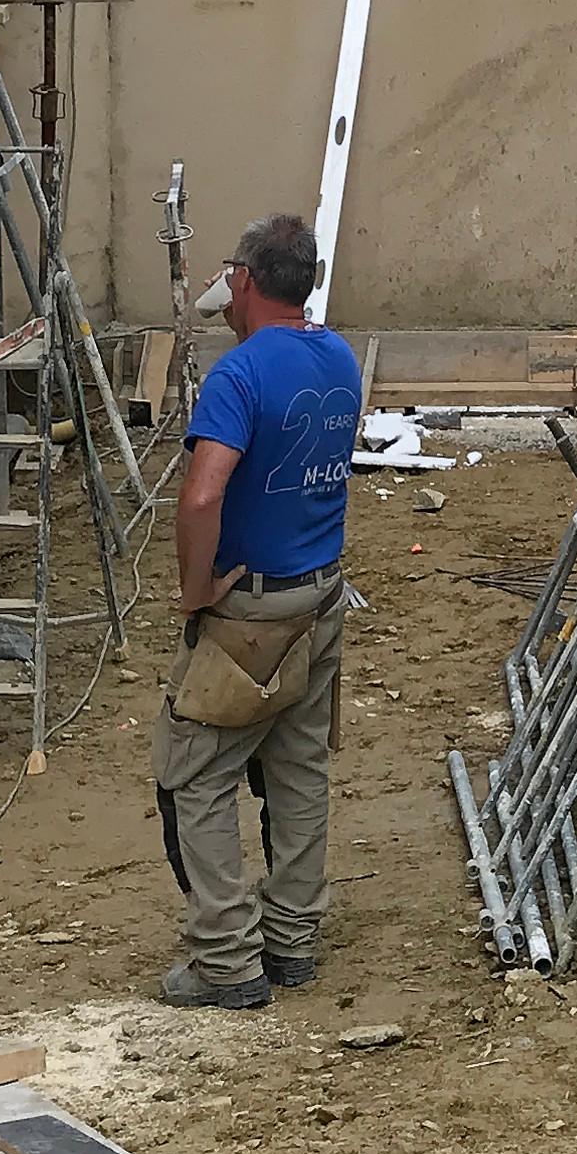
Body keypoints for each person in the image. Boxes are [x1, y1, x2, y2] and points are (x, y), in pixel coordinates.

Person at [154, 213, 361, 1008]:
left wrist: (196, 587)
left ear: (242, 280)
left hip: (250, 611)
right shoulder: (337, 357)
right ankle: (291, 941)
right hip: (320, 593)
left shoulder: (238, 376)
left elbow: (202, 491)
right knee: (299, 765)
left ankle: (226, 959)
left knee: (194, 772)